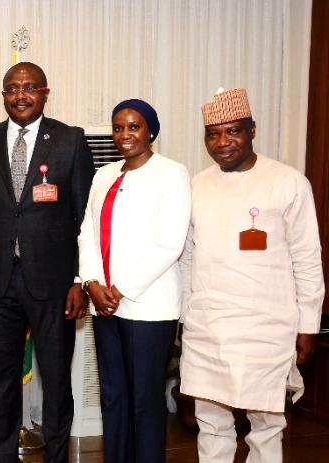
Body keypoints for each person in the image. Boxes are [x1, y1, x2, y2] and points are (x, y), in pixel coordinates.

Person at [180, 88, 324, 463]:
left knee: (266, 424)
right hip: (208, 327)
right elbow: (187, 257)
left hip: (267, 328)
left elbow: (307, 258)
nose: (223, 142)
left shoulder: (288, 182)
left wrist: (307, 324)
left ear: (253, 130)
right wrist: (184, 317)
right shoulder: (197, 186)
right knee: (211, 422)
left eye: (234, 131)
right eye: (213, 134)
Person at [0, 62, 94, 463]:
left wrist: (78, 278)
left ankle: (56, 457)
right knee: (2, 382)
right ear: (3, 95)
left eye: (29, 87)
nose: (20, 95)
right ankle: (5, 456)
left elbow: (83, 215)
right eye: (12, 89)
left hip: (55, 284)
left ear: (45, 92)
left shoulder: (70, 140)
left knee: (55, 381)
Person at [77, 100, 189, 463]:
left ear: (151, 130)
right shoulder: (104, 174)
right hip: (104, 305)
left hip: (148, 306)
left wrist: (120, 289)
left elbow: (169, 243)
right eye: (118, 127)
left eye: (134, 126)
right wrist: (92, 283)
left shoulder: (171, 173)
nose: (124, 135)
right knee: (113, 396)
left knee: (144, 399)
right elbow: (87, 233)